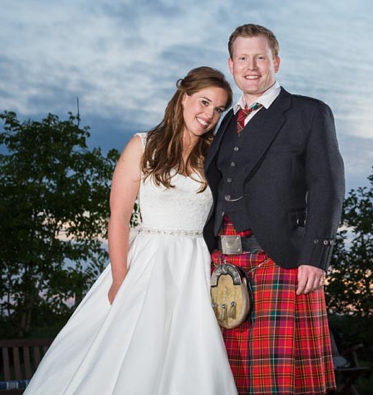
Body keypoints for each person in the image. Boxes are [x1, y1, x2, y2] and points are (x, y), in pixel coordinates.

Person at [25, 67, 238, 395]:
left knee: (189, 355)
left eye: (218, 109)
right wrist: (121, 278)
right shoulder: (143, 145)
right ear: (183, 98)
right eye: (204, 102)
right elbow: (119, 217)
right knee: (127, 352)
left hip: (195, 265)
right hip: (147, 263)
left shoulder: (215, 156)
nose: (209, 114)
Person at [203, 24, 345, 395]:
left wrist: (316, 256)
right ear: (231, 65)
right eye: (243, 58)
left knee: (280, 383)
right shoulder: (223, 124)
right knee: (232, 380)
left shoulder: (308, 113)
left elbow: (328, 187)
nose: (252, 66)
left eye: (260, 57)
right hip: (223, 265)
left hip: (280, 261)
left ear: (276, 62)